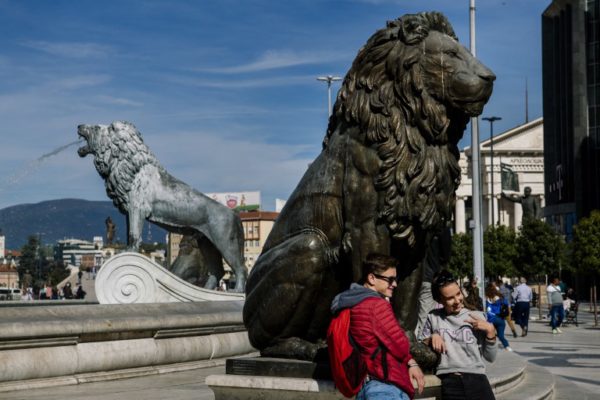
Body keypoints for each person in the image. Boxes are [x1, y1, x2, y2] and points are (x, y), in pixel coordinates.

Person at [331, 254, 425, 399]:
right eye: (390, 279)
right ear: (372, 278)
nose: (394, 284)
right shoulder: (376, 305)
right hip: (385, 388)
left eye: (396, 279)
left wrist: (411, 363)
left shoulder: (353, 303)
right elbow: (401, 346)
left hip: (367, 385)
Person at [420, 270, 497, 400]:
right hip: (450, 383)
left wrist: (491, 332)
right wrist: (432, 337)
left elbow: (491, 357)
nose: (457, 300)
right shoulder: (433, 317)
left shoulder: (477, 316)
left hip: (478, 380)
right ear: (439, 300)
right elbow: (420, 344)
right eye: (450, 298)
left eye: (458, 294)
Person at [485, 284, 512, 351]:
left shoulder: (487, 299)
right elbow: (506, 304)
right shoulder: (500, 298)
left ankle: (490, 347)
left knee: (488, 333)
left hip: (491, 319)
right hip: (500, 319)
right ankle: (507, 346)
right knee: (501, 336)